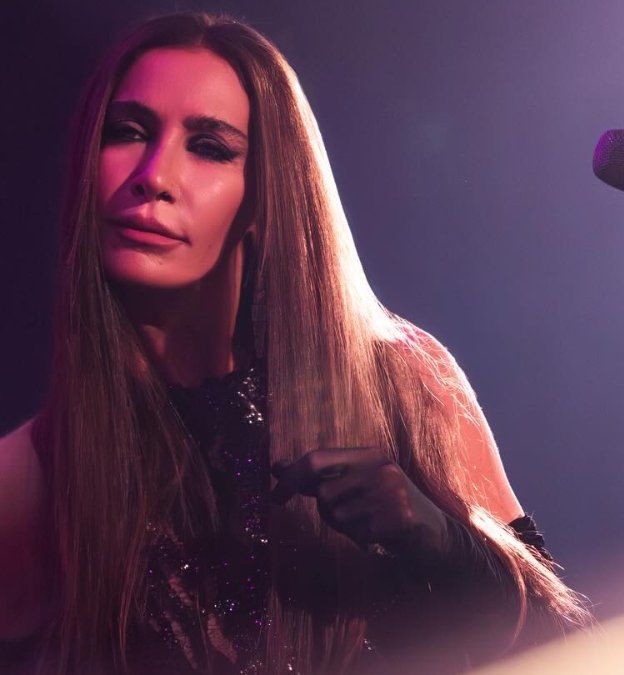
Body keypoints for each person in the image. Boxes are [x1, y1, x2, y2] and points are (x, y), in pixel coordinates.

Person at [0, 11, 592, 675]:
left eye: (209, 147)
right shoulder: (37, 475)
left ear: (265, 194)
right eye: (128, 132)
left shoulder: (403, 380)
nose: (154, 175)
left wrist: (442, 542)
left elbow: (566, 650)